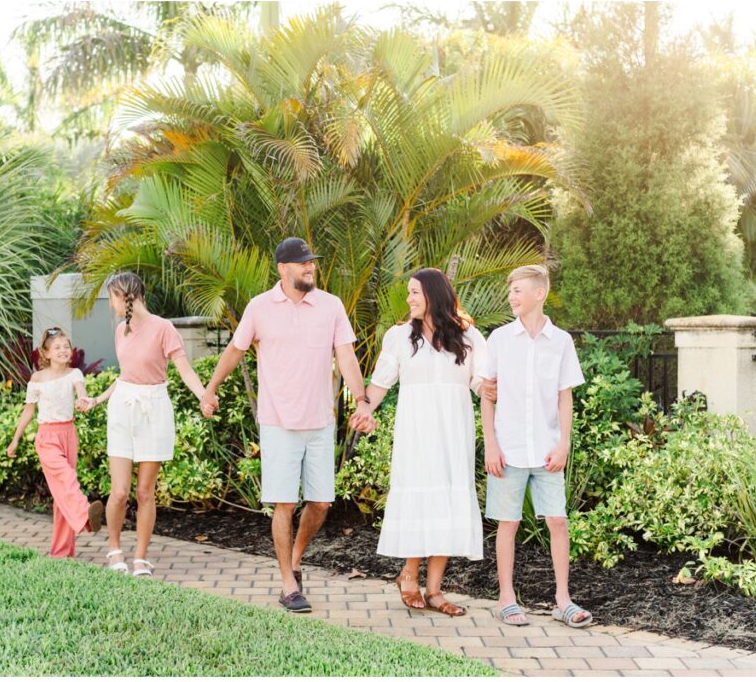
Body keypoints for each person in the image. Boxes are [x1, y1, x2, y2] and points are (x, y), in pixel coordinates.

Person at [200, 237, 371, 613]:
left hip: (320, 421)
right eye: (302, 263)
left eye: (312, 262)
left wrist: (362, 400)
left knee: (322, 502)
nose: (310, 267)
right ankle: (288, 583)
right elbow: (235, 351)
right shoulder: (260, 307)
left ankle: (294, 560)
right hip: (277, 421)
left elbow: (346, 356)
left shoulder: (331, 306)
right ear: (283, 268)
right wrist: (210, 389)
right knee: (284, 503)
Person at [351, 269, 489, 616]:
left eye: (415, 292)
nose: (409, 298)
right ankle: (409, 575)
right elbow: (379, 386)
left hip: (453, 433)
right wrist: (364, 409)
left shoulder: (468, 335)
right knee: (421, 500)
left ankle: (435, 590)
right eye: (408, 293)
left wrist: (502, 390)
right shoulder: (399, 337)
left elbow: (481, 384)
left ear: (434, 294)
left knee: (446, 502)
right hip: (416, 433)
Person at [476, 264, 592, 628]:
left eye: (518, 290)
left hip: (546, 450)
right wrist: (490, 445)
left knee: (557, 520)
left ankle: (563, 600)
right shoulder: (498, 340)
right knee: (507, 523)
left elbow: (565, 396)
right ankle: (506, 599)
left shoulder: (561, 342)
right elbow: (487, 394)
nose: (511, 296)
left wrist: (564, 445)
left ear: (539, 293)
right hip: (508, 450)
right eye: (510, 290)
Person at [81, 272, 211, 577]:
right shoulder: (120, 331)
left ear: (123, 296)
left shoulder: (164, 328)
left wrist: (204, 395)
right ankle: (115, 549)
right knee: (120, 491)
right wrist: (97, 400)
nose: (110, 303)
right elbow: (125, 376)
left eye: (111, 297)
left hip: (154, 409)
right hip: (122, 409)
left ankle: (140, 556)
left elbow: (185, 370)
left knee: (145, 491)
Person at [7, 327, 104, 558]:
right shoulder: (37, 379)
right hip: (47, 437)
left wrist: (83, 401)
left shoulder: (74, 374)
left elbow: (81, 392)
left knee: (61, 498)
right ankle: (85, 515)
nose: (63, 350)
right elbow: (28, 411)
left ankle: (61, 553)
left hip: (68, 434)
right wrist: (15, 439)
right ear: (46, 353)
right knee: (66, 477)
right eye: (57, 347)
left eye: (66, 346)